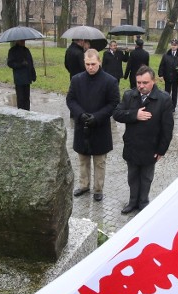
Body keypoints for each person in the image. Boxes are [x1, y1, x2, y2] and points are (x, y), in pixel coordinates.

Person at [114, 65, 174, 214]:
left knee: (146, 178)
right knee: (132, 177)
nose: (141, 86)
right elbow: (117, 114)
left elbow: (167, 128)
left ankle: (143, 203)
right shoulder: (129, 95)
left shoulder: (164, 99)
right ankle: (132, 202)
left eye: (145, 83)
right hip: (132, 146)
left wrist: (162, 150)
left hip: (151, 147)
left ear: (153, 81)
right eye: (138, 82)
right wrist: (134, 115)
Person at [66, 49, 120, 201]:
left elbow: (114, 103)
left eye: (93, 64)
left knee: (99, 161)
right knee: (83, 160)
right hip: (81, 125)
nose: (90, 67)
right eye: (87, 64)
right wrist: (80, 114)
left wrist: (97, 117)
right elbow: (70, 100)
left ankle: (98, 189)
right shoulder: (77, 79)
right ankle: (84, 185)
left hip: (100, 126)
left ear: (99, 62)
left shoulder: (110, 81)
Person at [6, 39, 36, 111]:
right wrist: (20, 64)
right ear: (17, 41)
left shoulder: (26, 50)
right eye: (21, 41)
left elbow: (31, 63)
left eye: (24, 40)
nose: (23, 42)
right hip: (19, 78)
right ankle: (21, 113)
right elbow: (10, 63)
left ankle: (27, 112)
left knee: (27, 97)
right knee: (20, 98)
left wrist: (33, 73)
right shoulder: (12, 51)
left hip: (27, 77)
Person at [158, 38, 178, 111]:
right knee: (167, 92)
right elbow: (162, 65)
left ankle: (173, 106)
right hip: (167, 76)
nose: (173, 46)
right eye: (172, 45)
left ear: (177, 46)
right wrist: (160, 75)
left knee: (174, 92)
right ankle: (166, 105)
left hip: (176, 77)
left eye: (175, 45)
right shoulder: (166, 55)